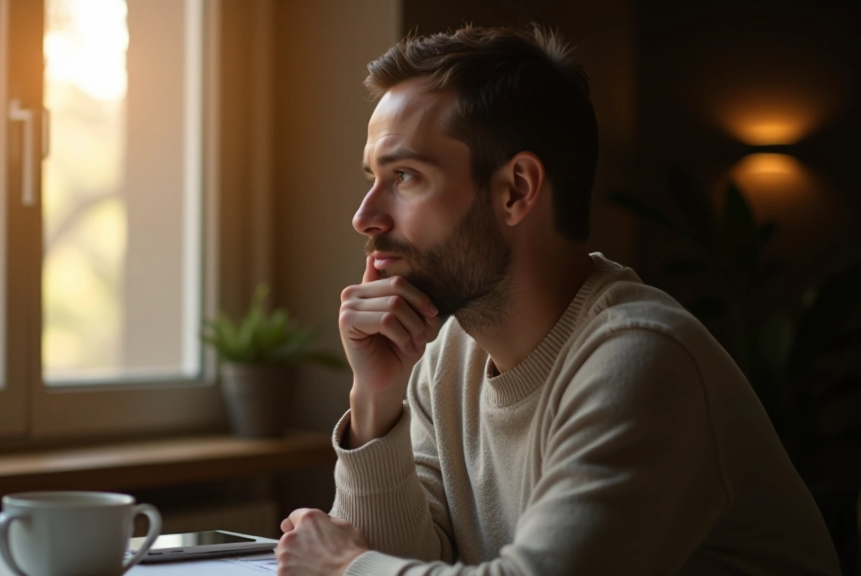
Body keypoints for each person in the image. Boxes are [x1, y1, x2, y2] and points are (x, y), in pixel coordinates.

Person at [275, 24, 841, 576]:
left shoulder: (640, 359)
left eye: (404, 176)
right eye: (372, 178)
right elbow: (412, 560)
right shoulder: (447, 359)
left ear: (516, 189)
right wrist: (376, 401)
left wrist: (344, 566)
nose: (365, 217)